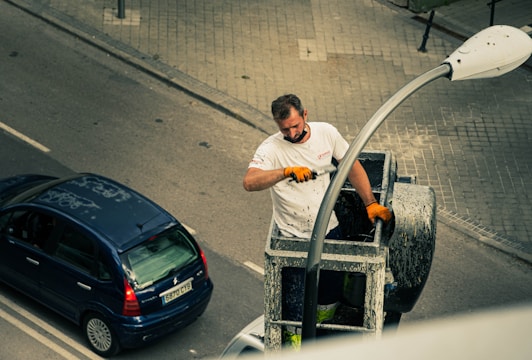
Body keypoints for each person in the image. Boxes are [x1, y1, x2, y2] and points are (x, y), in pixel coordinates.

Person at [243, 94, 392, 347]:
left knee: (331, 289)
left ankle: (323, 332)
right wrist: (284, 172)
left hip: (327, 230)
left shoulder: (327, 133)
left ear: (305, 114)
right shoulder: (271, 149)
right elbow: (249, 182)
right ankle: (295, 343)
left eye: (295, 126)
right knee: (295, 299)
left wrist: (370, 203)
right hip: (294, 240)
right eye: (284, 129)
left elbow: (351, 166)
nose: (291, 134)